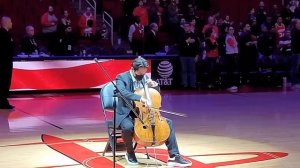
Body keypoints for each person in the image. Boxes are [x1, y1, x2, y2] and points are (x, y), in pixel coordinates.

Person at [115, 56, 192, 167]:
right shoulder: (121, 77)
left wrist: (155, 86)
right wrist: (139, 98)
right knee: (127, 127)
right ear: (134, 69)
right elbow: (122, 92)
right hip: (127, 112)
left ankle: (174, 156)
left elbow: (153, 96)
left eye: (144, 72)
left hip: (144, 112)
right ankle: (130, 153)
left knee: (168, 123)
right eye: (141, 73)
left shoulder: (144, 77)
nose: (143, 75)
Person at [0, 16, 15, 109]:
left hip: (7, 61)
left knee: (5, 82)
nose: (12, 23)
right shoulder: (3, 34)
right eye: (10, 22)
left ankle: (3, 101)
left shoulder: (7, 34)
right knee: (3, 82)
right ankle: (2, 102)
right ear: (6, 23)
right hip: (3, 63)